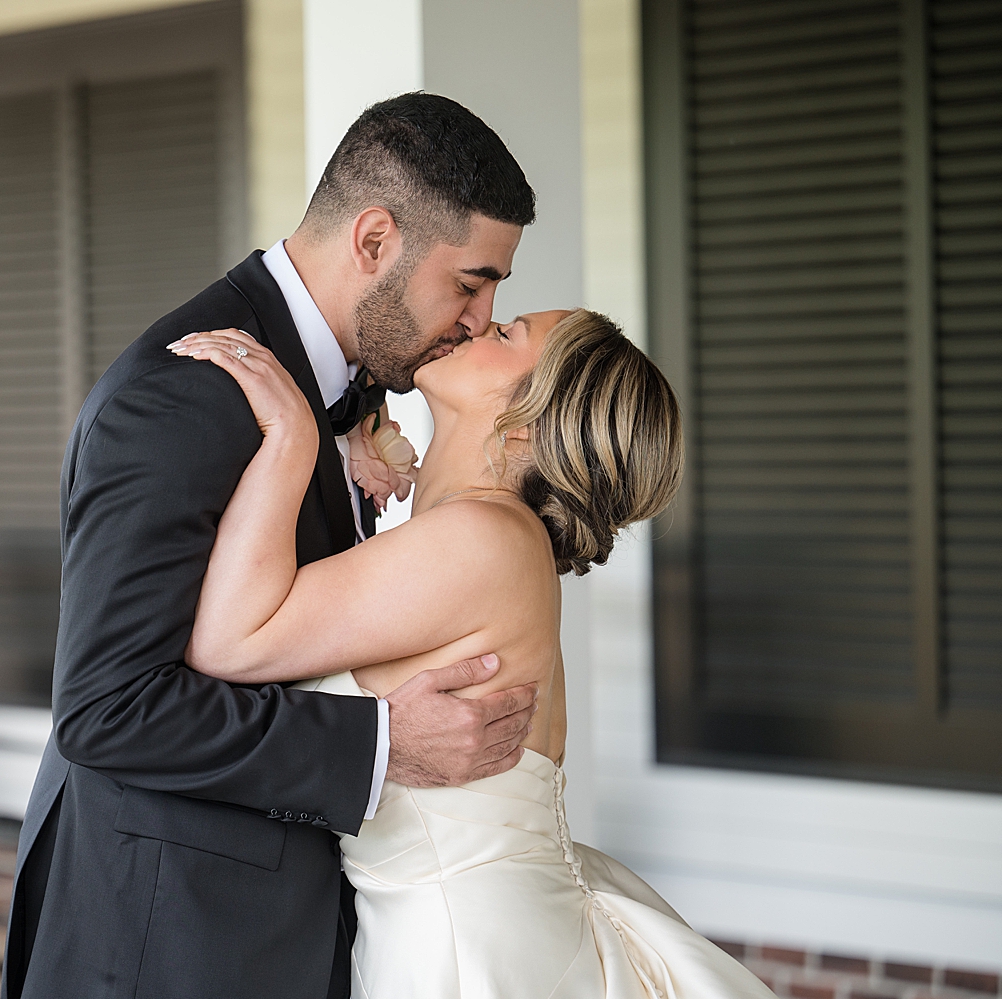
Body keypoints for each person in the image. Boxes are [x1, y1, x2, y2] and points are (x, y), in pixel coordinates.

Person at [3, 94, 546, 999]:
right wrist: (378, 743)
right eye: (470, 282)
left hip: (282, 927)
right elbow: (106, 709)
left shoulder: (345, 380)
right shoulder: (184, 396)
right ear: (374, 242)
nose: (481, 316)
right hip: (163, 939)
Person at [170, 311, 777, 997]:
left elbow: (228, 640)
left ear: (527, 422)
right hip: (469, 931)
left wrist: (291, 438)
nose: (476, 325)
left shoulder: (485, 539)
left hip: (467, 952)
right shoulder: (483, 539)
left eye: (508, 333)